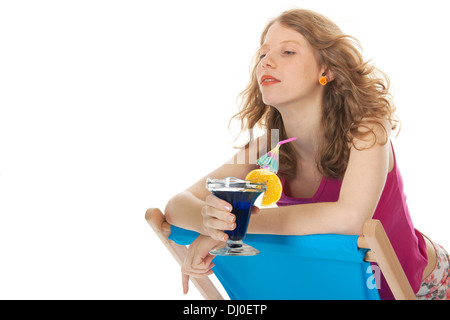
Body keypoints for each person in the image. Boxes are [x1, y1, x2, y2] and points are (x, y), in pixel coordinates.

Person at [164, 8, 449, 300]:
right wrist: (210, 223)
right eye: (263, 55)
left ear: (326, 70)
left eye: (288, 52)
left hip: (424, 287)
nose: (267, 62)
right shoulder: (266, 144)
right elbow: (176, 205)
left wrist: (236, 229)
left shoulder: (368, 130)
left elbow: (350, 217)